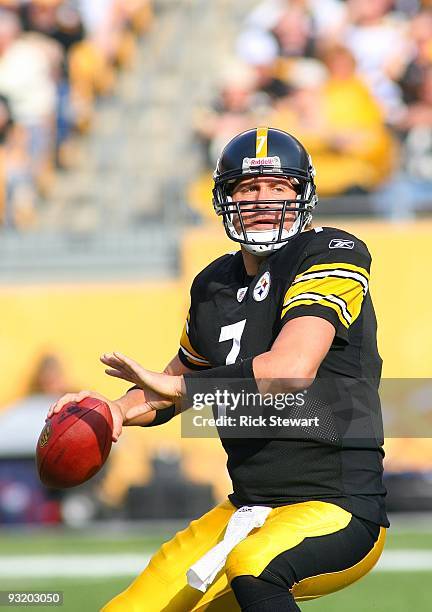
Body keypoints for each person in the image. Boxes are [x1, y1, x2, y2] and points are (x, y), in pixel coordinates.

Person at [49, 127, 388, 611]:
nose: (263, 200)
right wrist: (109, 411)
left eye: (278, 187)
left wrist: (176, 387)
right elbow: (168, 387)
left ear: (303, 194)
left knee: (256, 564)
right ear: (225, 199)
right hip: (247, 508)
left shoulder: (332, 251)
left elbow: (290, 371)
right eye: (247, 188)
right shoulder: (214, 284)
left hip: (337, 507)